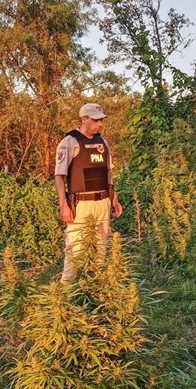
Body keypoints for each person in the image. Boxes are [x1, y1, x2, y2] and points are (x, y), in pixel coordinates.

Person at [54, 103, 123, 282]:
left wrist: (114, 199)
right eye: (96, 120)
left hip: (103, 202)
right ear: (84, 119)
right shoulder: (70, 142)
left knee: (100, 250)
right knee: (75, 250)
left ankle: (95, 290)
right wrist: (64, 206)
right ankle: (67, 293)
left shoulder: (103, 142)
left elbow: (108, 173)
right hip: (81, 205)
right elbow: (59, 176)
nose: (100, 123)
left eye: (101, 120)